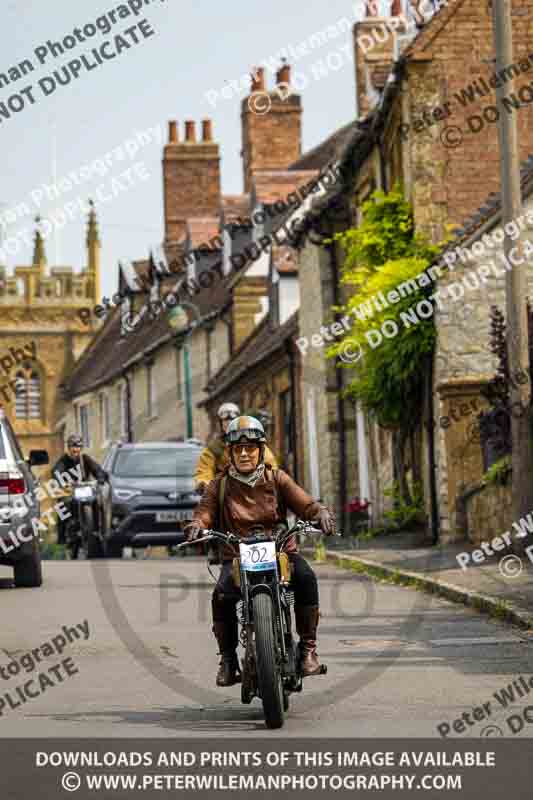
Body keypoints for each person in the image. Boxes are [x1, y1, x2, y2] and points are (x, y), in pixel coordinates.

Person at [185, 415, 335, 687]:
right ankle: (228, 660)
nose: (244, 453)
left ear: (260, 450)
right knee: (221, 595)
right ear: (229, 452)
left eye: (251, 447)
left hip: (280, 550)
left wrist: (320, 513)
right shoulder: (219, 484)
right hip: (237, 556)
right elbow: (204, 512)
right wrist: (197, 525)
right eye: (238, 449)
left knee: (306, 578)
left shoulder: (277, 478)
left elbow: (306, 504)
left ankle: (308, 650)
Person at [194, 402, 277, 493]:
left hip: (253, 490)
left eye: (232, 420)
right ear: (221, 424)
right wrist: (204, 482)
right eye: (225, 421)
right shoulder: (215, 448)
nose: (229, 423)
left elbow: (269, 463)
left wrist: (270, 479)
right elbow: (205, 469)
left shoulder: (253, 440)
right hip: (225, 493)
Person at [51, 434, 107, 544]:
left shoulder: (85, 459)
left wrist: (100, 477)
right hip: (70, 490)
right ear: (69, 447)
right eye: (73, 446)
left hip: (85, 489)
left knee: (98, 501)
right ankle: (62, 535)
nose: (76, 449)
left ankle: (99, 529)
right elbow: (56, 471)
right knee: (63, 505)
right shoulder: (64, 460)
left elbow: (97, 469)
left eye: (78, 446)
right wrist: (62, 482)